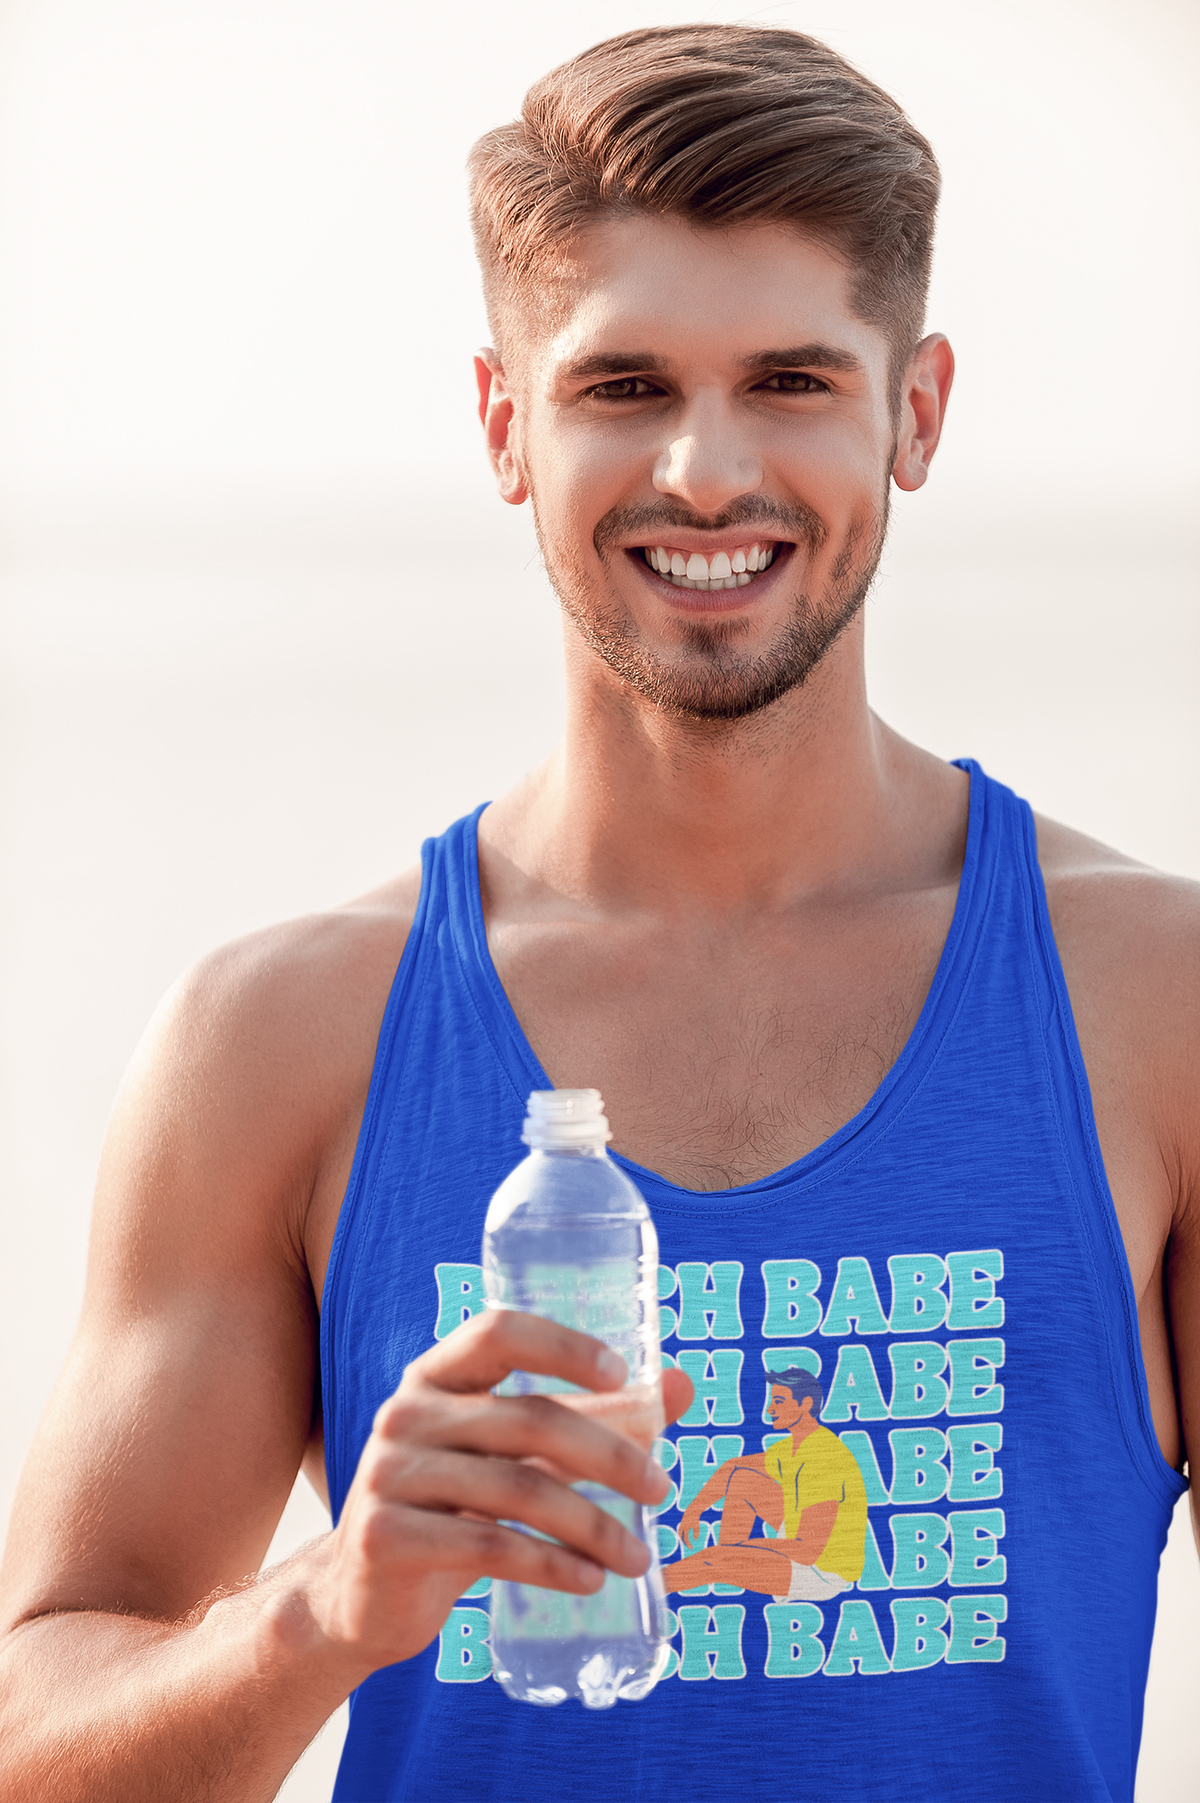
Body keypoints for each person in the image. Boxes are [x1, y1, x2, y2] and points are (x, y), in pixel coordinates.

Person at [0, 20, 1195, 1802]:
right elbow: (36, 1737)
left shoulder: (1152, 1005)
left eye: (792, 380)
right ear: (505, 423)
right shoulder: (283, 1037)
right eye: (622, 386)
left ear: (917, 412)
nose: (705, 471)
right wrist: (327, 1605)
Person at [661, 1370, 867, 1602]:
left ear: (805, 1404)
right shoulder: (796, 1446)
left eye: (778, 1401)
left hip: (822, 1570)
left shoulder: (823, 1459)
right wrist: (694, 1510)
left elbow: (808, 1552)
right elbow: (733, 1467)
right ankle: (733, 1562)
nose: (769, 1409)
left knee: (711, 1560)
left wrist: (750, 1546)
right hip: (798, 1535)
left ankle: (641, 1592)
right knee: (742, 1479)